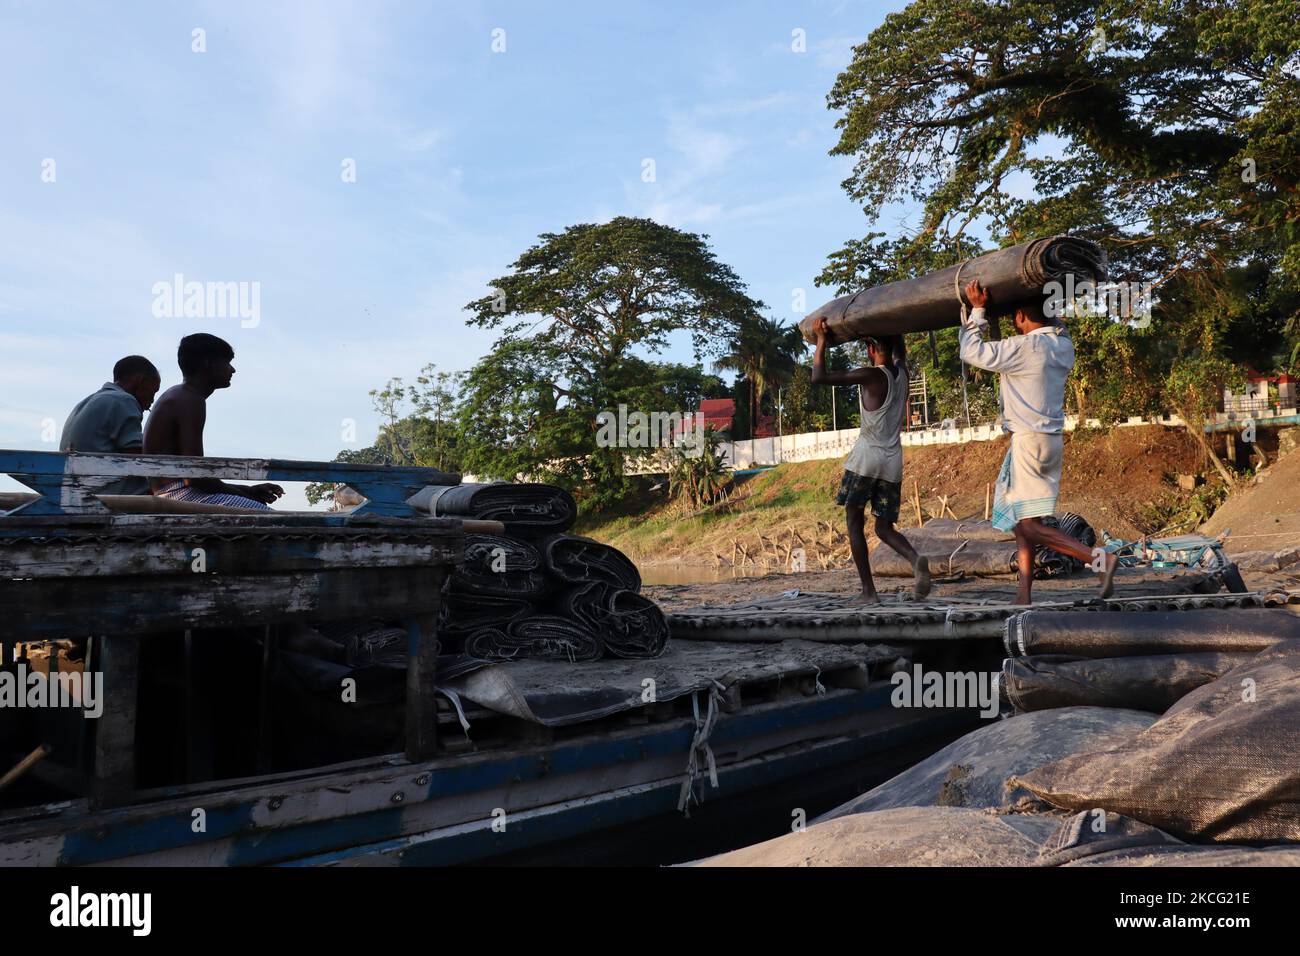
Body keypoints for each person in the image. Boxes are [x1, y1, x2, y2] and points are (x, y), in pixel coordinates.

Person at [959, 280, 1118, 603]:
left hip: (1029, 443)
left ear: (1019, 316)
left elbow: (970, 351)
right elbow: (1056, 327)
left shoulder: (1024, 348)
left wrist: (977, 309)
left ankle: (1101, 561)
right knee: (1023, 524)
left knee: (1029, 527)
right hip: (1050, 443)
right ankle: (1024, 593)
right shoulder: (1062, 347)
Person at [812, 317, 931, 604]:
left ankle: (868, 592)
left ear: (869, 348)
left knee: (854, 522)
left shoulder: (870, 375)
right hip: (892, 463)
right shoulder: (902, 372)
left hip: (866, 460)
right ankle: (915, 561)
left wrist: (821, 341)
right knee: (883, 527)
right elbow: (900, 353)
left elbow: (819, 378)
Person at [142, 333, 284, 508]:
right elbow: (196, 476)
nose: (232, 370)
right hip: (179, 495)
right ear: (208, 363)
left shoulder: (178, 394)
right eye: (227, 363)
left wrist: (248, 490)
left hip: (172, 492)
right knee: (273, 519)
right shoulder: (190, 399)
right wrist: (248, 495)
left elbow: (196, 475)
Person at [60, 355, 162, 494]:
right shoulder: (123, 401)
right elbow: (139, 461)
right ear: (141, 381)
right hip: (110, 499)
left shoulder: (86, 403)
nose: (152, 400)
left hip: (78, 494)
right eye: (153, 392)